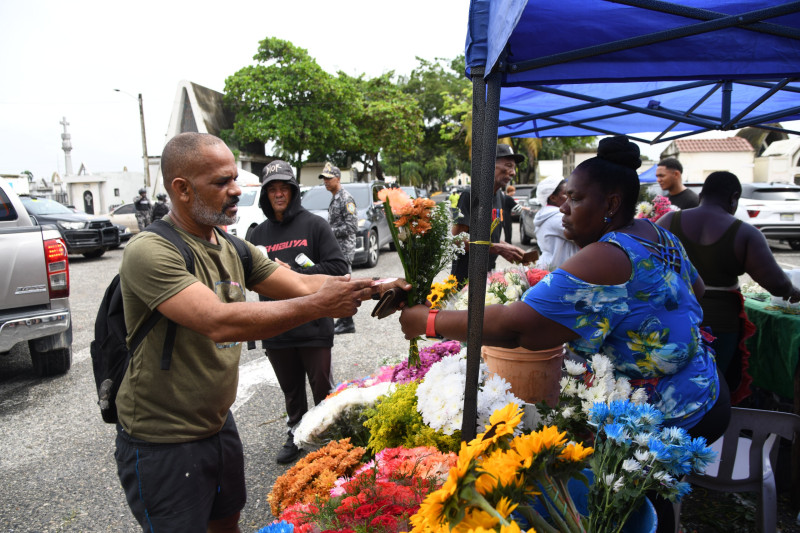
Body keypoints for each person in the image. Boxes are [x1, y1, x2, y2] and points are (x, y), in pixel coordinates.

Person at [401, 136, 729, 533]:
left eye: (575, 198)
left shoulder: (607, 255)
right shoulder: (657, 233)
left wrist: (429, 321)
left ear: (610, 204)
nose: (563, 208)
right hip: (709, 388)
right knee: (654, 501)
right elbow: (697, 290)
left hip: (674, 414)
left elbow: (517, 326)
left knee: (636, 508)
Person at [115, 133, 408, 532]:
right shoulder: (151, 250)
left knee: (227, 525)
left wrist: (379, 285)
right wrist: (320, 306)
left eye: (235, 178)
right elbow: (219, 322)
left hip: (218, 424)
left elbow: (302, 283)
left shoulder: (233, 247)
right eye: (221, 182)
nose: (236, 190)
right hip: (162, 439)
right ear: (182, 189)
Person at [657, 171, 800, 399]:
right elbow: (777, 283)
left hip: (673, 318)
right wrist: (792, 291)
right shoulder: (745, 233)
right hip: (722, 325)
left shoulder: (667, 222)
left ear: (702, 195)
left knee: (672, 386)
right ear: (734, 198)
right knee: (714, 385)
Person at [247, 160, 349, 464]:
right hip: (276, 326)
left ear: (293, 191)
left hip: (313, 325)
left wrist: (295, 273)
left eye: (284, 188)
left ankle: (330, 439)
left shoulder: (315, 225)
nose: (278, 194)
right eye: (272, 190)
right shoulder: (258, 234)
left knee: (322, 389)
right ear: (266, 195)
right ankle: (295, 433)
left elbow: (338, 268)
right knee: (291, 391)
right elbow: (248, 277)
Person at [450, 144, 528, 286]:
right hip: (465, 277)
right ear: (489, 165)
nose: (513, 173)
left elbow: (491, 238)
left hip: (488, 274)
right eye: (508, 166)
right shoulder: (470, 195)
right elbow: (457, 241)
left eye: (514, 168)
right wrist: (498, 248)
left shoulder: (500, 196)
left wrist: (509, 248)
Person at [320, 162, 358, 335]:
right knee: (339, 285)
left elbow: (352, 226)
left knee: (345, 286)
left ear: (338, 178)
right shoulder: (335, 197)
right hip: (337, 249)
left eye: (329, 178)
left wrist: (329, 231)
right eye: (324, 179)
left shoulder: (346, 198)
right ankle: (343, 319)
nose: (326, 182)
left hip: (344, 250)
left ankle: (348, 322)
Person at [532, 176, 579, 269]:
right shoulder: (557, 217)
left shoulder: (545, 213)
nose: (570, 198)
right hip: (559, 267)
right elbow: (584, 235)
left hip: (549, 264)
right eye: (566, 194)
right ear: (553, 198)